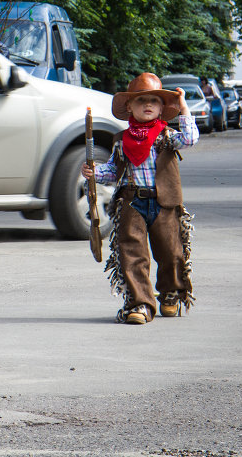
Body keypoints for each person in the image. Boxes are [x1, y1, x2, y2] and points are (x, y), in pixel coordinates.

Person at [81, 72, 198, 325]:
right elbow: (114, 170)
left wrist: (184, 106)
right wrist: (94, 172)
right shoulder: (122, 141)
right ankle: (141, 304)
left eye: (154, 101)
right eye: (141, 100)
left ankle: (170, 294)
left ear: (161, 108)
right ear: (129, 107)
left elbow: (190, 139)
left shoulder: (166, 137)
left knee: (171, 253)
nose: (148, 105)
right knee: (132, 253)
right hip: (132, 202)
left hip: (164, 203)